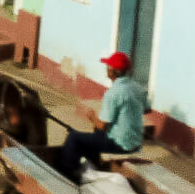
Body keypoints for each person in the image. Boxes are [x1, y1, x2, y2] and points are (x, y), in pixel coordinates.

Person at [56, 51, 149, 180]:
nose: (106, 69)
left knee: (74, 138)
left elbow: (102, 125)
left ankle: (66, 176)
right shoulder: (139, 89)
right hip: (135, 142)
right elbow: (146, 110)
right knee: (96, 134)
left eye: (108, 67)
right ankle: (95, 164)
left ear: (113, 71)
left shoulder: (113, 94)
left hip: (120, 144)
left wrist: (91, 116)